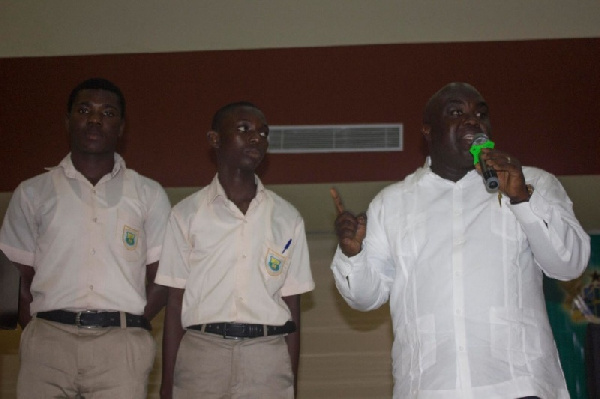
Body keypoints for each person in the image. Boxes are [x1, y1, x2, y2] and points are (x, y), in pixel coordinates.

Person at [330, 82, 590, 399]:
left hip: (519, 385)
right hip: (428, 388)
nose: (472, 120)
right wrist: (352, 255)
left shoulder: (530, 182)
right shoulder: (392, 202)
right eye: (456, 112)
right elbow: (365, 297)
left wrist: (523, 200)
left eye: (480, 113)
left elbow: (569, 264)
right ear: (427, 130)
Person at [0, 78, 171, 398]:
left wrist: (131, 323)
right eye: (84, 110)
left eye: (107, 113)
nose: (95, 119)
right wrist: (40, 328)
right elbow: (14, 276)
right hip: (47, 345)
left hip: (121, 349)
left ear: (121, 127)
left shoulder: (148, 193)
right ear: (68, 121)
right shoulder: (32, 192)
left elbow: (163, 276)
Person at [156, 101, 315, 398]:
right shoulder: (186, 214)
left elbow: (292, 308)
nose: (256, 138)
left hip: (267, 356)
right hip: (202, 354)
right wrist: (168, 383)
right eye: (244, 129)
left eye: (263, 133)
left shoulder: (287, 217)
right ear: (214, 139)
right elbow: (175, 302)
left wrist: (290, 384)